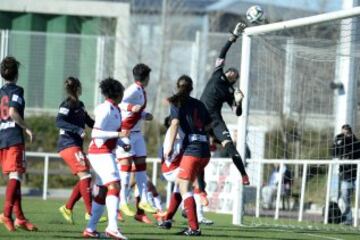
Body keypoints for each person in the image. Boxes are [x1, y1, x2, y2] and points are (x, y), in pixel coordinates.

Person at [159, 75, 212, 236]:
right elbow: (209, 124)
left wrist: (168, 147)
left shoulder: (177, 102)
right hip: (205, 152)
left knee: (184, 187)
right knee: (182, 184)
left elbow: (174, 123)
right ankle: (168, 218)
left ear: (178, 86)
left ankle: (194, 228)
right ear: (192, 88)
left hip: (192, 151)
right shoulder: (200, 104)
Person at [200, 22, 250, 185]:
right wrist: (233, 38)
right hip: (200, 116)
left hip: (215, 120)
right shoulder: (217, 73)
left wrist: (239, 102)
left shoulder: (230, 92)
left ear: (235, 80)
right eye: (231, 71)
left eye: (235, 74)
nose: (232, 73)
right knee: (197, 150)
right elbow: (223, 52)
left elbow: (238, 113)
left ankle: (243, 174)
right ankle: (200, 187)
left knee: (230, 147)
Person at [83, 78, 129, 240]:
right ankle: (113, 227)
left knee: (102, 191)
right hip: (99, 153)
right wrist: (118, 135)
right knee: (115, 185)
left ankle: (90, 228)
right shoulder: (104, 108)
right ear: (117, 93)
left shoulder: (115, 109)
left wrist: (123, 143)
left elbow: (112, 133)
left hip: (106, 152)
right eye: (122, 92)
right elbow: (95, 133)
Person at [116, 63, 157, 223]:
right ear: (146, 77)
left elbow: (135, 111)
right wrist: (132, 107)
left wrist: (144, 115)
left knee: (141, 166)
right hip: (126, 133)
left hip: (137, 134)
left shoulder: (141, 90)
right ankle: (123, 202)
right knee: (125, 170)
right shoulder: (133, 89)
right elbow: (119, 103)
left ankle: (144, 200)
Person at [0, 56, 37, 231]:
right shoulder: (17, 90)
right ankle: (6, 214)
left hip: (2, 138)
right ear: (16, 75)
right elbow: (13, 111)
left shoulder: (0, 92)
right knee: (16, 176)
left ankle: (20, 218)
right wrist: (27, 128)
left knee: (14, 178)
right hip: (14, 137)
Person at [161, 116, 213, 225]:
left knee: (179, 189)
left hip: (178, 166)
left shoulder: (182, 131)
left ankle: (167, 219)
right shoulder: (175, 131)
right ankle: (195, 209)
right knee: (192, 183)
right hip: (171, 169)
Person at [332, 124, 360, 225]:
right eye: (342, 133)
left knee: (347, 197)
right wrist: (336, 143)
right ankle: (346, 217)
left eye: (346, 133)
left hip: (353, 175)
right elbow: (334, 154)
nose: (344, 136)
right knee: (342, 197)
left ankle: (348, 218)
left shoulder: (356, 142)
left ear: (351, 133)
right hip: (343, 174)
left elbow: (354, 153)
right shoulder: (341, 142)